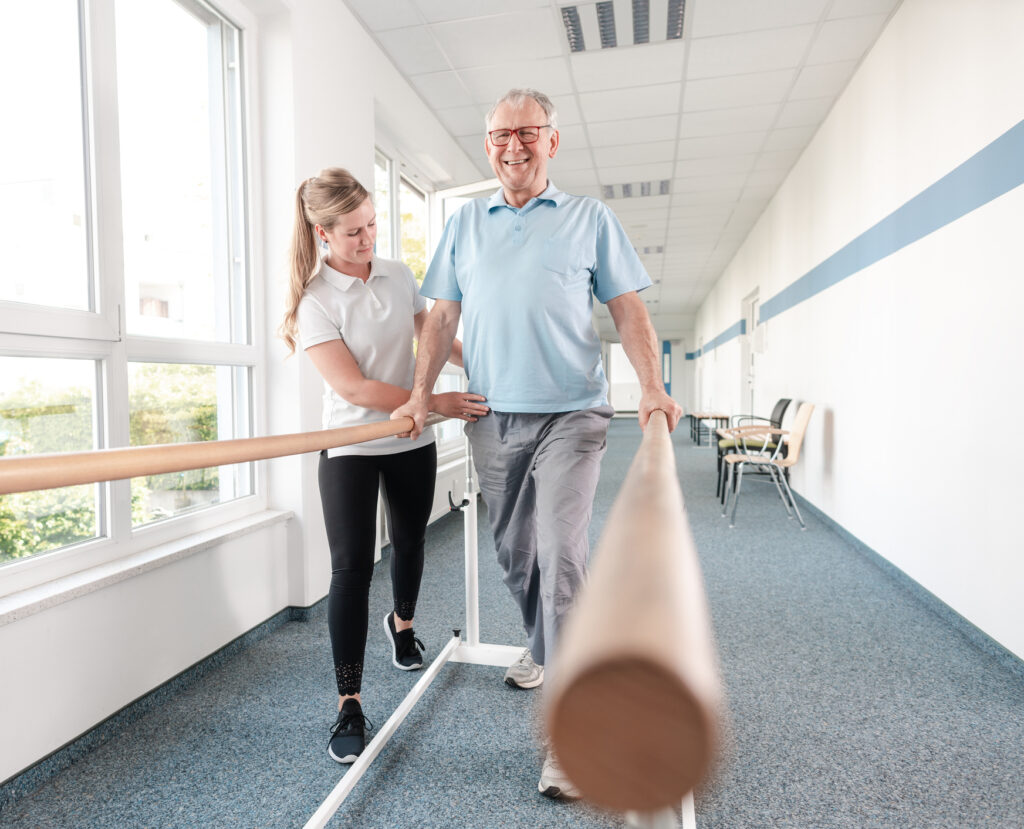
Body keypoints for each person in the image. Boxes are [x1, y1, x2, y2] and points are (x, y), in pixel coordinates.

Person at [391, 89, 683, 799]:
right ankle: (550, 644)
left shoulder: (590, 218)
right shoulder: (464, 223)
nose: (511, 145)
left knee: (559, 557)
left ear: (553, 141)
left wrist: (651, 384)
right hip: (492, 418)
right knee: (517, 557)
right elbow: (439, 317)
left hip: (572, 416)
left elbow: (628, 308)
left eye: (526, 132)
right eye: (498, 135)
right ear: (486, 144)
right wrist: (419, 393)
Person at [280, 168, 489, 765]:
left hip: (409, 438)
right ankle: (349, 701)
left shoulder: (397, 274)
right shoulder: (314, 300)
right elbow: (353, 384)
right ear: (323, 234)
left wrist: (475, 365)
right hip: (350, 442)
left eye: (372, 225)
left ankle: (402, 625)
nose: (368, 238)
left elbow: (430, 330)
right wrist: (433, 401)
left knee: (410, 541)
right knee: (350, 571)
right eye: (353, 232)